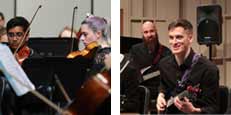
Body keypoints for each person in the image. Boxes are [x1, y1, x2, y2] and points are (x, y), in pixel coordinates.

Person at [156, 19, 219, 114]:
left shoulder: (209, 69)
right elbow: (163, 86)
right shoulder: (164, 64)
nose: (174, 42)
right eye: (171, 37)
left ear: (190, 38)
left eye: (179, 37)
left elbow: (214, 109)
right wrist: (160, 96)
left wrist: (194, 111)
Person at [129, 20, 171, 112]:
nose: (149, 34)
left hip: (158, 88)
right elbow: (131, 71)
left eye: (152, 31)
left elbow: (168, 77)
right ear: (142, 34)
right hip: (140, 88)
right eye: (146, 32)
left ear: (156, 31)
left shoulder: (166, 52)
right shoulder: (135, 50)